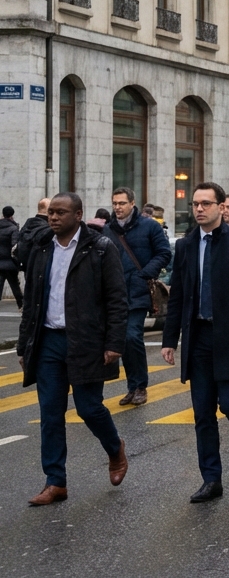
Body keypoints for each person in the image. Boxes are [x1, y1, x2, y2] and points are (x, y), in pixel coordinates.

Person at [160, 183, 229, 503]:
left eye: (206, 204)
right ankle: (212, 479)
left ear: (221, 207)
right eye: (195, 204)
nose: (198, 209)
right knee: (203, 413)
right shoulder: (185, 245)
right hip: (199, 338)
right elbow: (179, 297)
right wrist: (170, 340)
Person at [17, 193, 129, 506]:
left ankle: (115, 448)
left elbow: (117, 300)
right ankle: (56, 482)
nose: (53, 218)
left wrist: (114, 343)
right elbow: (33, 300)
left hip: (86, 340)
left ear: (78, 215)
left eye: (60, 212)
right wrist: (26, 342)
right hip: (49, 341)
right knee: (50, 413)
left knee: (88, 407)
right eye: (50, 212)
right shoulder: (42, 247)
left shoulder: (101, 248)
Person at [105, 187, 172, 407]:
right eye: (115, 203)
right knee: (121, 340)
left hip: (138, 290)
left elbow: (164, 253)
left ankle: (140, 386)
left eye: (122, 203)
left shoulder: (150, 226)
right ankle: (132, 387)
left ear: (132, 204)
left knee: (132, 336)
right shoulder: (108, 229)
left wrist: (145, 273)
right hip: (113, 294)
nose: (118, 207)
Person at [13, 197, 51, 272]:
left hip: (26, 267)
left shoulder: (27, 225)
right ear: (48, 210)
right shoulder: (46, 228)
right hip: (40, 269)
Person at [0, 206, 23, 308]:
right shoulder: (13, 228)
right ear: (12, 214)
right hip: (10, 264)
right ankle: (21, 306)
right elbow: (15, 247)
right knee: (15, 287)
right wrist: (17, 262)